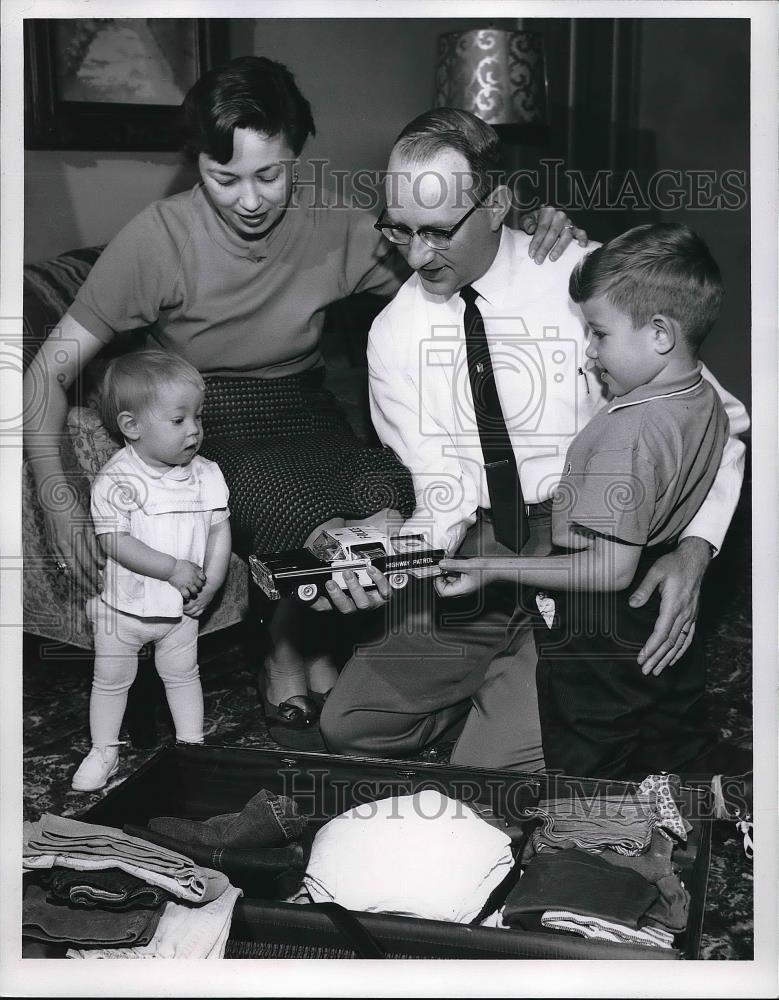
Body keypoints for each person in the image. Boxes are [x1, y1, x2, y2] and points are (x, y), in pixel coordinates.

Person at [22, 57, 583, 742]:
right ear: (194, 162)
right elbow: (44, 374)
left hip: (307, 403)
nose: (250, 200)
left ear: (298, 157)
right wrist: (58, 503)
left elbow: (449, 259)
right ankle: (289, 641)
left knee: (384, 478)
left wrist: (535, 234)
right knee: (279, 494)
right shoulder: (155, 241)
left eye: (271, 174)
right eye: (223, 177)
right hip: (209, 411)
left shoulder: (335, 224)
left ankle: (334, 629)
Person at [319, 109, 749, 773]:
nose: (414, 254)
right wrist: (383, 557)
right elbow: (443, 497)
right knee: (350, 726)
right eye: (397, 229)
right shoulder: (391, 335)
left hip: (585, 545)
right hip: (481, 551)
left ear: (495, 204)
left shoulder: (585, 282)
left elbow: (718, 419)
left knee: (490, 773)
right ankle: (509, 678)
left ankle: (527, 697)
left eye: (436, 232)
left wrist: (694, 553)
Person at [436, 222, 750, 782]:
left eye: (599, 334)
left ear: (659, 333)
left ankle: (590, 845)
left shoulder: (628, 432)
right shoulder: (701, 394)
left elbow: (608, 568)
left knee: (585, 743)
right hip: (654, 598)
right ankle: (716, 795)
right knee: (665, 722)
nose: (589, 351)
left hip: (601, 622)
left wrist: (488, 567)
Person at [72, 351, 231, 791]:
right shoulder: (118, 479)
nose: (194, 429)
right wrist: (172, 568)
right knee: (110, 680)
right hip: (124, 609)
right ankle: (104, 748)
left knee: (182, 675)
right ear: (132, 427)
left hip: (181, 610)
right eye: (178, 420)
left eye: (198, 417)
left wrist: (212, 582)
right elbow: (115, 541)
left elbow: (219, 531)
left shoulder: (207, 474)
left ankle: (192, 747)